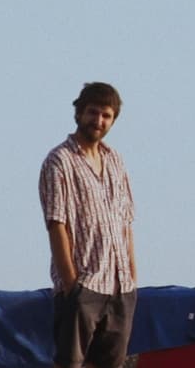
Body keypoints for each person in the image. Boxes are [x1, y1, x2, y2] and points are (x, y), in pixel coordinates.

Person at [39, 82, 137, 368]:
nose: (98, 121)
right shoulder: (60, 161)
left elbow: (126, 223)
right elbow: (56, 224)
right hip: (84, 283)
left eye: (106, 115)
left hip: (120, 287)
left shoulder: (115, 160)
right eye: (93, 112)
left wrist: (131, 278)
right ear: (79, 113)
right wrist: (72, 285)